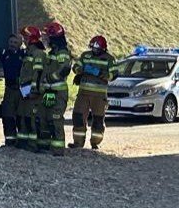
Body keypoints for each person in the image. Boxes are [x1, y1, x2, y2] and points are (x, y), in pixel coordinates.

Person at [69, 34, 116, 150]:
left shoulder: (109, 59)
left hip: (99, 96)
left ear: (102, 48)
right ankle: (78, 143)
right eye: (93, 48)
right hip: (83, 94)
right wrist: (82, 69)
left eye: (96, 48)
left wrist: (100, 73)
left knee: (98, 120)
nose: (94, 50)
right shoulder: (86, 56)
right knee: (78, 117)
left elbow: (114, 74)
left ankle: (95, 142)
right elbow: (75, 67)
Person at [40, 22, 73, 155]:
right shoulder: (52, 52)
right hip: (49, 91)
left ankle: (58, 149)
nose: (46, 39)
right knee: (47, 118)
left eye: (48, 36)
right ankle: (47, 146)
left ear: (54, 37)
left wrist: (50, 78)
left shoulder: (62, 52)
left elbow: (64, 69)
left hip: (58, 91)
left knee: (55, 118)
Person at [15, 25, 46, 151]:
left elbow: (38, 74)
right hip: (25, 91)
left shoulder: (38, 54)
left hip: (32, 93)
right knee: (23, 117)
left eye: (25, 38)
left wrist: (34, 91)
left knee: (32, 119)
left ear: (31, 39)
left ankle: (33, 145)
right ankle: (23, 143)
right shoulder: (29, 53)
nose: (24, 40)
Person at [0, 32, 26, 147]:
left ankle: (22, 141)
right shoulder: (4, 54)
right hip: (9, 89)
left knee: (22, 115)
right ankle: (10, 140)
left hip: (22, 89)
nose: (12, 44)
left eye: (15, 42)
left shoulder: (24, 54)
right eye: (11, 42)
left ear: (20, 44)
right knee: (7, 115)